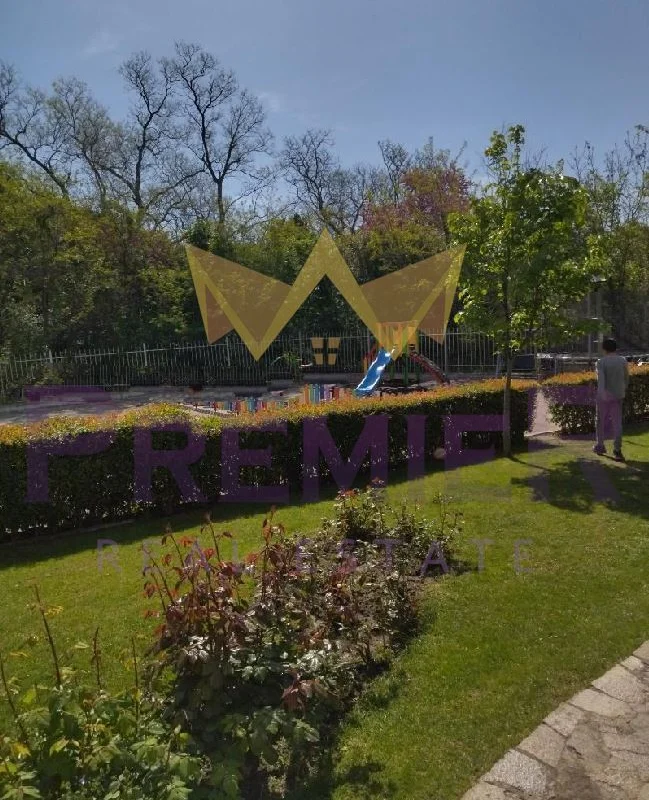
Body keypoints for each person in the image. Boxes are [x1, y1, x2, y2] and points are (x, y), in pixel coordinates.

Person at [593, 338, 629, 461]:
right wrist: (623, 390)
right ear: (615, 348)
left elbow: (601, 380)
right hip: (618, 395)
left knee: (600, 421)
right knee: (617, 423)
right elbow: (626, 378)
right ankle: (617, 450)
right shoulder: (622, 360)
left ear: (604, 349)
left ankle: (600, 445)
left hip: (604, 395)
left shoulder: (601, 362)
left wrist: (601, 394)